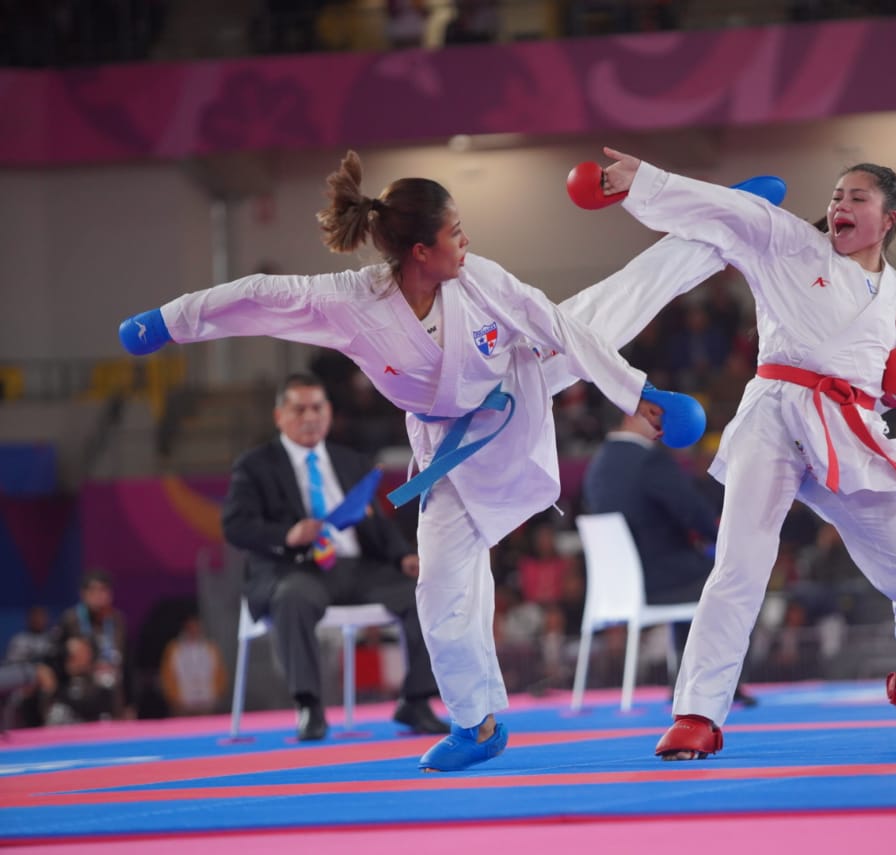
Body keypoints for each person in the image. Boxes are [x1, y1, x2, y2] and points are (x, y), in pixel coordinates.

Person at [119, 150, 769, 770]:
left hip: (523, 375)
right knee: (437, 590)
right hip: (450, 452)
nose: (467, 241)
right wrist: (171, 321)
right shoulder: (353, 303)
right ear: (420, 251)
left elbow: (550, 322)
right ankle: (477, 722)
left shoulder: (477, 277)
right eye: (455, 233)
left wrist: (637, 391)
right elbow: (261, 296)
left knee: (612, 304)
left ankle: (729, 220)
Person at [594, 147, 896, 761]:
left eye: (857, 198)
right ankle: (697, 714)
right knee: (740, 564)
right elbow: (721, 207)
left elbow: (885, 371)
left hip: (850, 431)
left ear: (890, 219)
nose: (839, 207)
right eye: (835, 197)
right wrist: (642, 180)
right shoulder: (786, 243)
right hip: (776, 413)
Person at [222, 373, 446, 741]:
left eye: (317, 407)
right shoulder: (255, 465)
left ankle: (417, 700)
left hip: (358, 569)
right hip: (296, 570)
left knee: (422, 591)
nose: (310, 417)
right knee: (292, 598)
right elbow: (235, 526)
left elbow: (375, 523)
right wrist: (287, 535)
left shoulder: (351, 462)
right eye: (299, 409)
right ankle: (309, 707)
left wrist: (403, 555)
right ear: (280, 416)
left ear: (328, 412)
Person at [582, 408, 756, 706]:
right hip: (660, 578)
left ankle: (687, 680)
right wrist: (728, 541)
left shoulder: (597, 465)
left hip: (618, 583)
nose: (660, 424)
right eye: (651, 415)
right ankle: (720, 683)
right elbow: (694, 512)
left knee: (697, 570)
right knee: (737, 575)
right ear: (628, 417)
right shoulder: (648, 460)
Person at [57, 571, 128, 720]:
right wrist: (69, 653)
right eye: (93, 590)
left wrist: (130, 703)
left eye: (103, 590)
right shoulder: (71, 619)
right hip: (78, 697)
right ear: (83, 594)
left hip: (112, 696)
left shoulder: (117, 620)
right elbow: (55, 657)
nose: (99, 595)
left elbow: (128, 661)